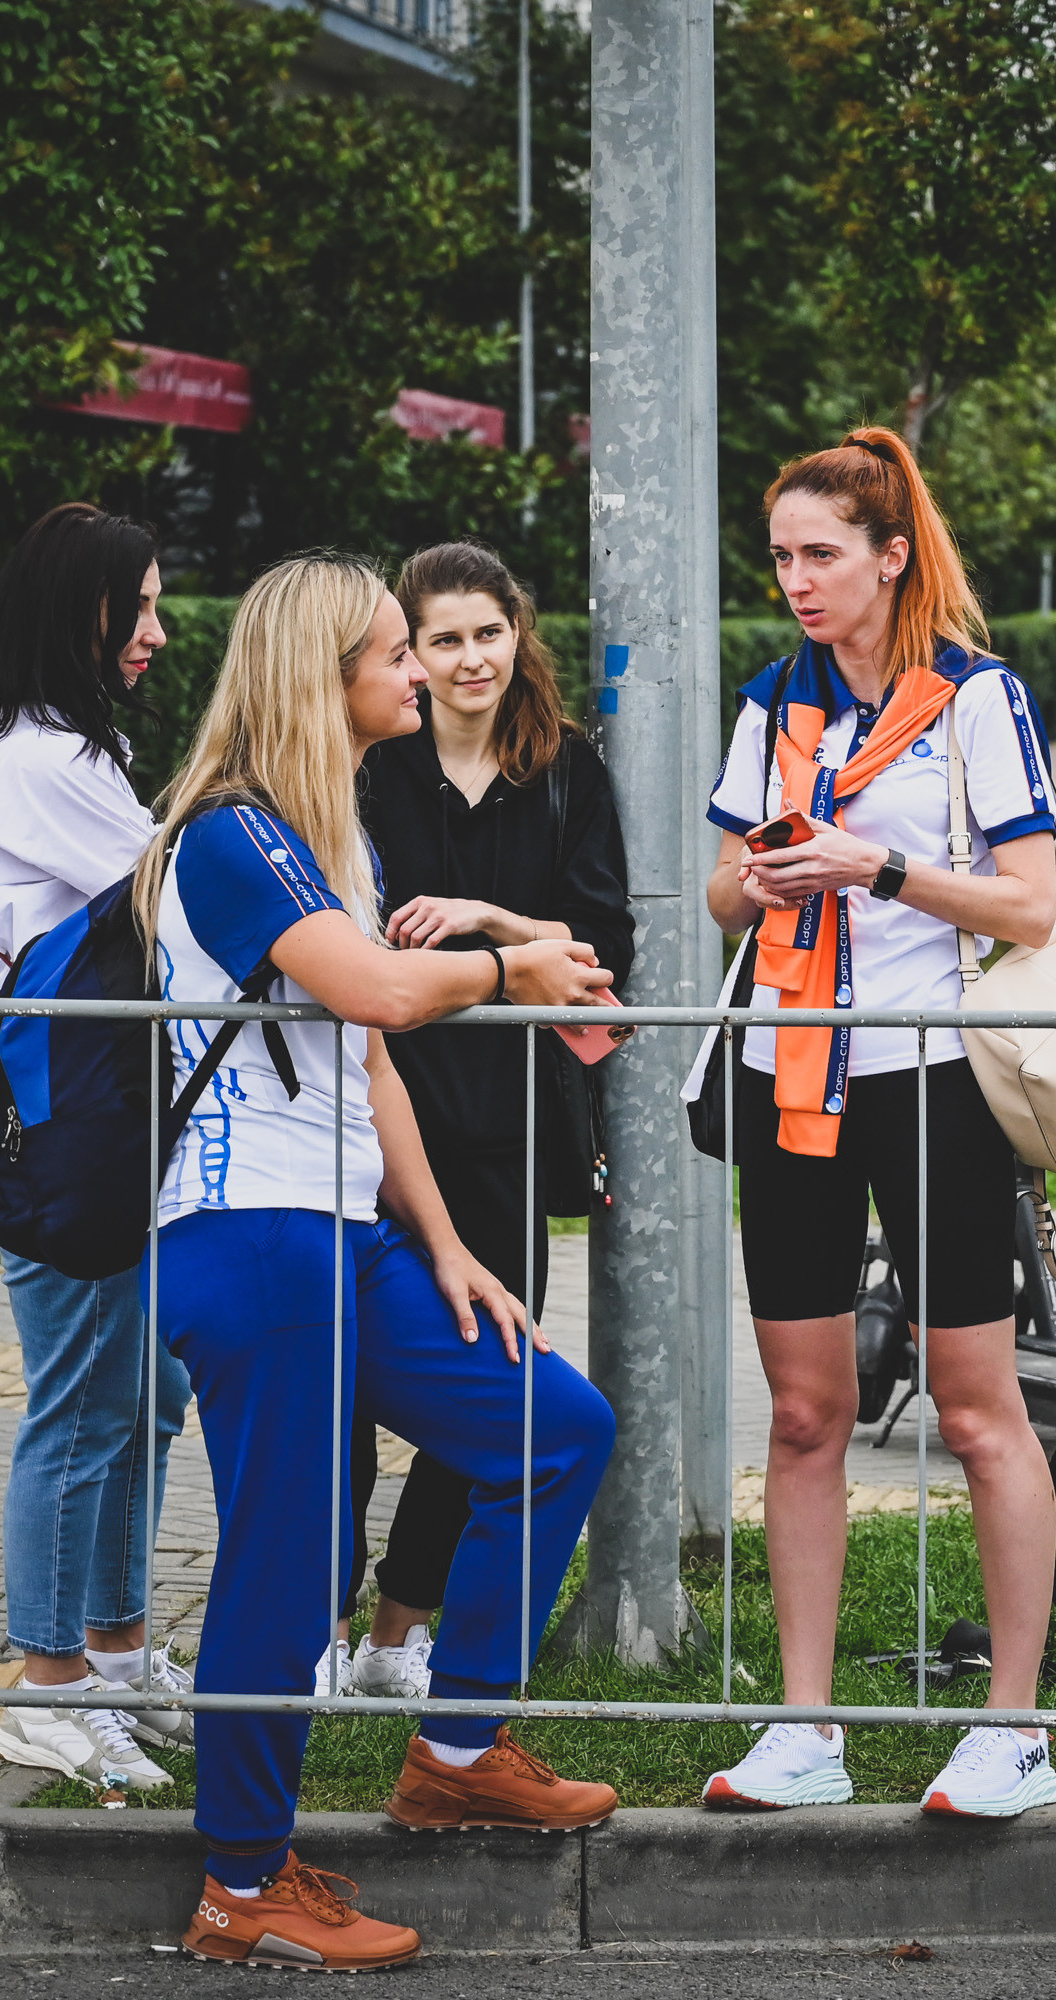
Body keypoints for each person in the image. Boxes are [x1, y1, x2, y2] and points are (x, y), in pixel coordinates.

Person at [133, 554, 621, 1971]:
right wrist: (507, 967)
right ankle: (242, 1882)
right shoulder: (228, 834)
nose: (419, 671)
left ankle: (457, 1746)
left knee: (554, 1426)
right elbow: (383, 990)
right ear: (324, 676)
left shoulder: (320, 827)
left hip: (350, 1236)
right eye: (395, 653)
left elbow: (367, 1061)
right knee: (289, 1571)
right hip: (254, 1243)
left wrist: (451, 1246)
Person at [695, 428, 1056, 1819]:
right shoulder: (774, 701)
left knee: (976, 1413)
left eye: (821, 554)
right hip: (791, 1068)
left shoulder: (976, 697)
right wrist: (770, 885)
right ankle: (809, 1731)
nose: (796, 579)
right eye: (782, 555)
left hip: (934, 1083)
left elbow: (1029, 899)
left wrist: (886, 868)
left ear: (890, 556)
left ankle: (1015, 1731)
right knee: (803, 1412)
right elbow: (723, 888)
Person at [0, 503, 193, 1793]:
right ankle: (48, 1683)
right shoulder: (36, 766)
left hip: (89, 1110)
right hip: (48, 1126)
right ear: (69, 608)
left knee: (145, 1394)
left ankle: (118, 1660)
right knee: (80, 1403)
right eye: (131, 606)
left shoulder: (75, 749)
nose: (155, 630)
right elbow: (180, 898)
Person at [335, 541, 635, 1700]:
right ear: (408, 650)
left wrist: (489, 917)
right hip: (372, 1110)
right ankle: (320, 1616)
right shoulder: (370, 769)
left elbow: (603, 953)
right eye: (441, 639)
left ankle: (395, 1639)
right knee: (345, 1391)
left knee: (487, 1378)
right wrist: (519, 947)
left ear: (520, 632)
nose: (468, 660)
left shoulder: (567, 771)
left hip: (511, 1119)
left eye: (487, 632)